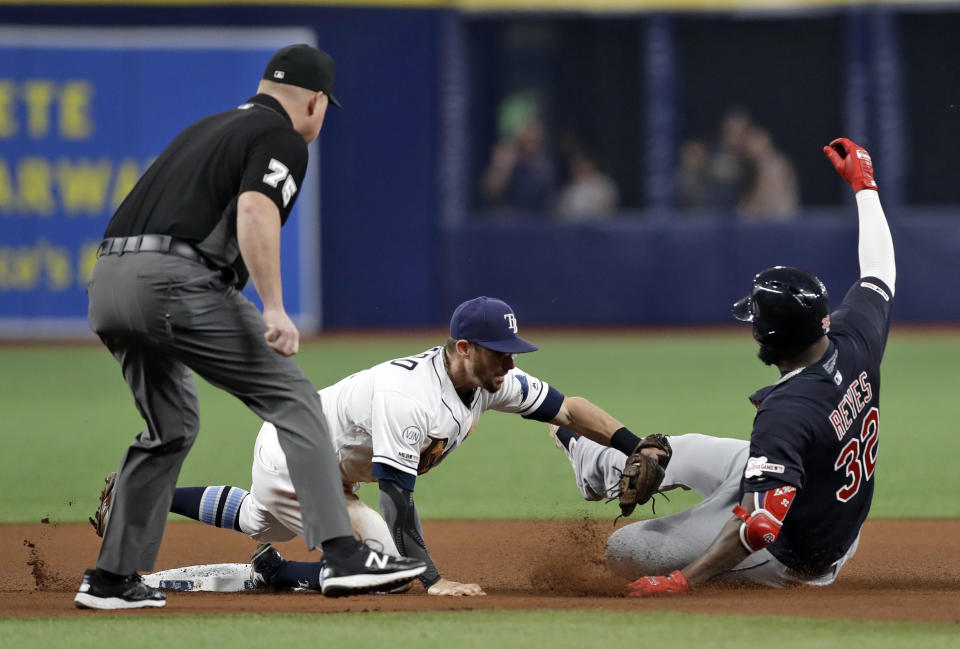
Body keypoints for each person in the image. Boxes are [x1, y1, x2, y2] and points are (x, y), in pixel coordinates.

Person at [75, 44, 426, 610]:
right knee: (294, 398)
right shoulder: (281, 137)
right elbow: (256, 209)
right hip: (175, 280)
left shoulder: (208, 128)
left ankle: (112, 579)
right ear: (315, 101)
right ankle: (341, 553)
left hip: (110, 282)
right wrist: (274, 306)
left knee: (170, 425)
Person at [93, 296, 664, 596]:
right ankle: (282, 573)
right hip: (296, 455)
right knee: (383, 562)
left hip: (314, 450)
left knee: (259, 519)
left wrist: (634, 444)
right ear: (463, 347)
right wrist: (433, 579)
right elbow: (396, 498)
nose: (509, 361)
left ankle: (141, 491)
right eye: (498, 351)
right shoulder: (409, 397)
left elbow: (569, 410)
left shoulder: (488, 381)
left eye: (512, 350)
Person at [550, 137, 894, 594]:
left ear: (768, 338)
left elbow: (759, 528)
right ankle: (591, 459)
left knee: (624, 552)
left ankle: (598, 465)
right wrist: (864, 185)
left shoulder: (787, 412)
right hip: (821, 497)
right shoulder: (854, 339)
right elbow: (879, 271)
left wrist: (681, 580)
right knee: (670, 450)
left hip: (795, 554)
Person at [737, 126, 800, 220]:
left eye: (753, 142)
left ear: (765, 142)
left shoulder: (775, 165)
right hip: (767, 220)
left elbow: (779, 203)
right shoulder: (755, 168)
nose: (749, 148)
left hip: (779, 222)